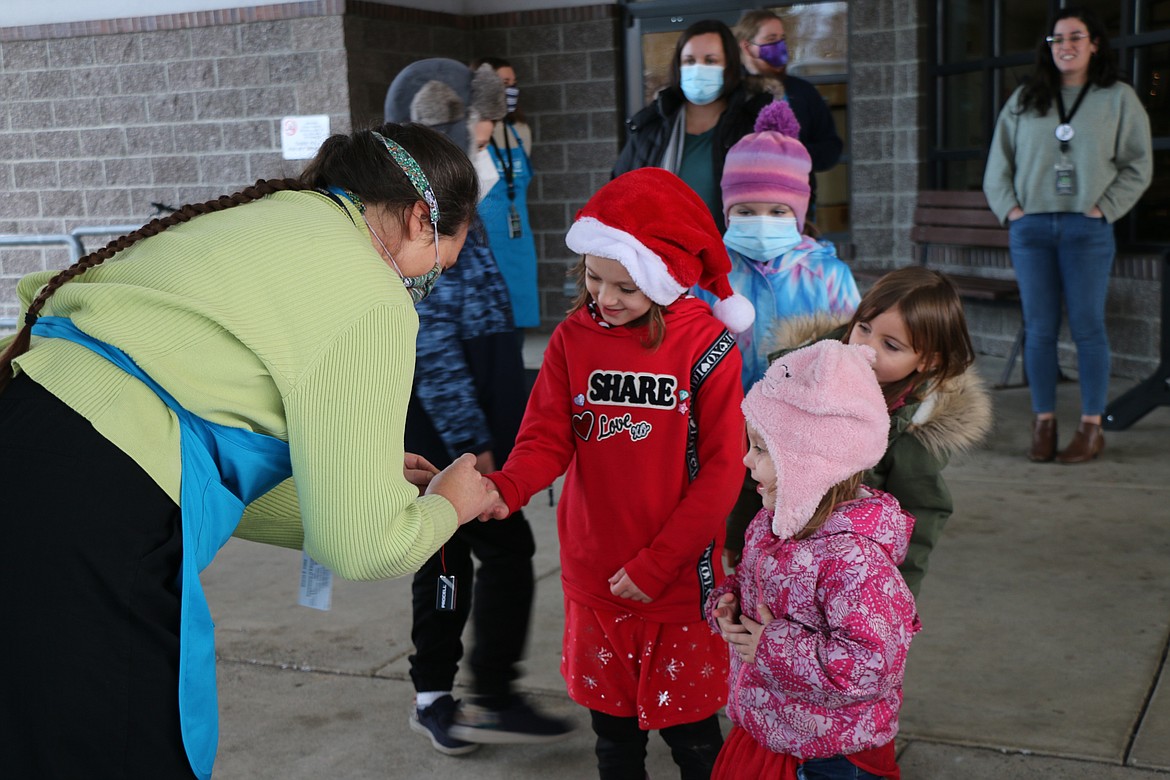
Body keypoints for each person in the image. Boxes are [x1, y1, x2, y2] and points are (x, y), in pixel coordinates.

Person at [0, 122, 498, 778]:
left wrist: (340, 488)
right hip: (96, 527)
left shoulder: (267, 221)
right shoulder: (372, 293)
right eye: (442, 261)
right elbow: (362, 545)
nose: (430, 283)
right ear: (417, 219)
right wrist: (447, 507)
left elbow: (183, 457)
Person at [482, 168, 754, 779]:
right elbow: (546, 438)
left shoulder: (708, 348)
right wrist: (507, 488)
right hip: (595, 573)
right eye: (593, 278)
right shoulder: (572, 339)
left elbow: (720, 474)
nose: (605, 298)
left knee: (694, 742)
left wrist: (659, 564)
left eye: (626, 286)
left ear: (666, 279)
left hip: (678, 582)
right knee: (614, 742)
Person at [384, 56, 573, 754]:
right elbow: (429, 343)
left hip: (470, 415)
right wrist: (475, 440)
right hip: (446, 429)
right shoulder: (428, 210)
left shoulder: (454, 193)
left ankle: (437, 694)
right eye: (483, 124)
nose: (491, 135)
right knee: (496, 550)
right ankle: (484, 691)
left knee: (446, 558)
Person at [707, 340, 921, 779]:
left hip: (831, 756)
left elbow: (870, 667)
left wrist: (770, 646)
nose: (746, 459)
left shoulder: (855, 559)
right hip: (772, 728)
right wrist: (727, 604)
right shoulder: (769, 525)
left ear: (810, 465)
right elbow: (752, 585)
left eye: (762, 450)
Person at [695, 99, 859, 574]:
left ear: (800, 208)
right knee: (734, 543)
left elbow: (850, 359)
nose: (760, 221)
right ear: (726, 209)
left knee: (799, 549)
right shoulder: (708, 276)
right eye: (745, 209)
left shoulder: (828, 275)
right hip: (723, 438)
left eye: (776, 209)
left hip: (803, 443)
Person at [983, 6, 1153, 464]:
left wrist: (1105, 208)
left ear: (1094, 43)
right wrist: (1012, 212)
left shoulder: (1117, 98)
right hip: (1032, 228)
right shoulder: (1024, 98)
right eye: (1057, 39)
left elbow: (1139, 165)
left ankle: (1090, 427)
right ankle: (1044, 423)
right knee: (1038, 329)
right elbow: (997, 165)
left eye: (1075, 37)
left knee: (1087, 327)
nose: (1066, 46)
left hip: (1086, 229)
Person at [760, 267, 992, 598]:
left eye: (891, 345)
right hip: (774, 559)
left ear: (926, 360)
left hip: (848, 582)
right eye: (864, 329)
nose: (866, 348)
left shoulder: (912, 433)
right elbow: (762, 461)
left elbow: (920, 516)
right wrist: (740, 532)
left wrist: (897, 593)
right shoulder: (799, 377)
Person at [613, 19, 771, 231]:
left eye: (710, 60)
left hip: (734, 258)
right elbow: (617, 195)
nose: (698, 69)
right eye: (689, 61)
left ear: (729, 66)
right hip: (662, 257)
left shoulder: (755, 126)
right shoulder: (650, 127)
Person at [733, 9, 843, 218]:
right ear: (747, 46)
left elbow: (831, 147)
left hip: (798, 205)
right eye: (771, 39)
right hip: (742, 206)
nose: (779, 46)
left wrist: (795, 154)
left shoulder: (802, 91)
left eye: (782, 39)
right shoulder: (732, 94)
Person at [472, 56, 541, 331]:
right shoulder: (473, 133)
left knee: (520, 314)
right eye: (503, 83)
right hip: (485, 237)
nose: (510, 90)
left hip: (519, 237)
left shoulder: (520, 129)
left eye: (513, 83)